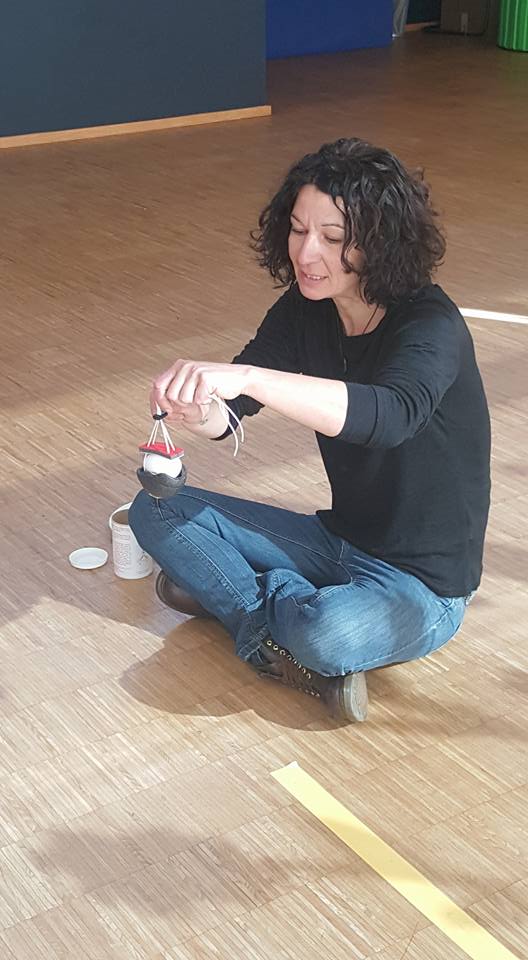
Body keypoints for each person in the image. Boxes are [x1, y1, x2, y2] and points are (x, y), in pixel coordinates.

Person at [129, 138, 491, 723]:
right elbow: (233, 412)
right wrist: (201, 411)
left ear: (380, 239)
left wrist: (248, 376)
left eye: (333, 236)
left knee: (329, 633)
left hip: (425, 584)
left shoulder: (431, 324)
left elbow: (390, 416)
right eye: (298, 230)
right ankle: (273, 626)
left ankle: (250, 603)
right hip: (337, 540)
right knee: (153, 511)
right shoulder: (305, 308)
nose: (307, 252)